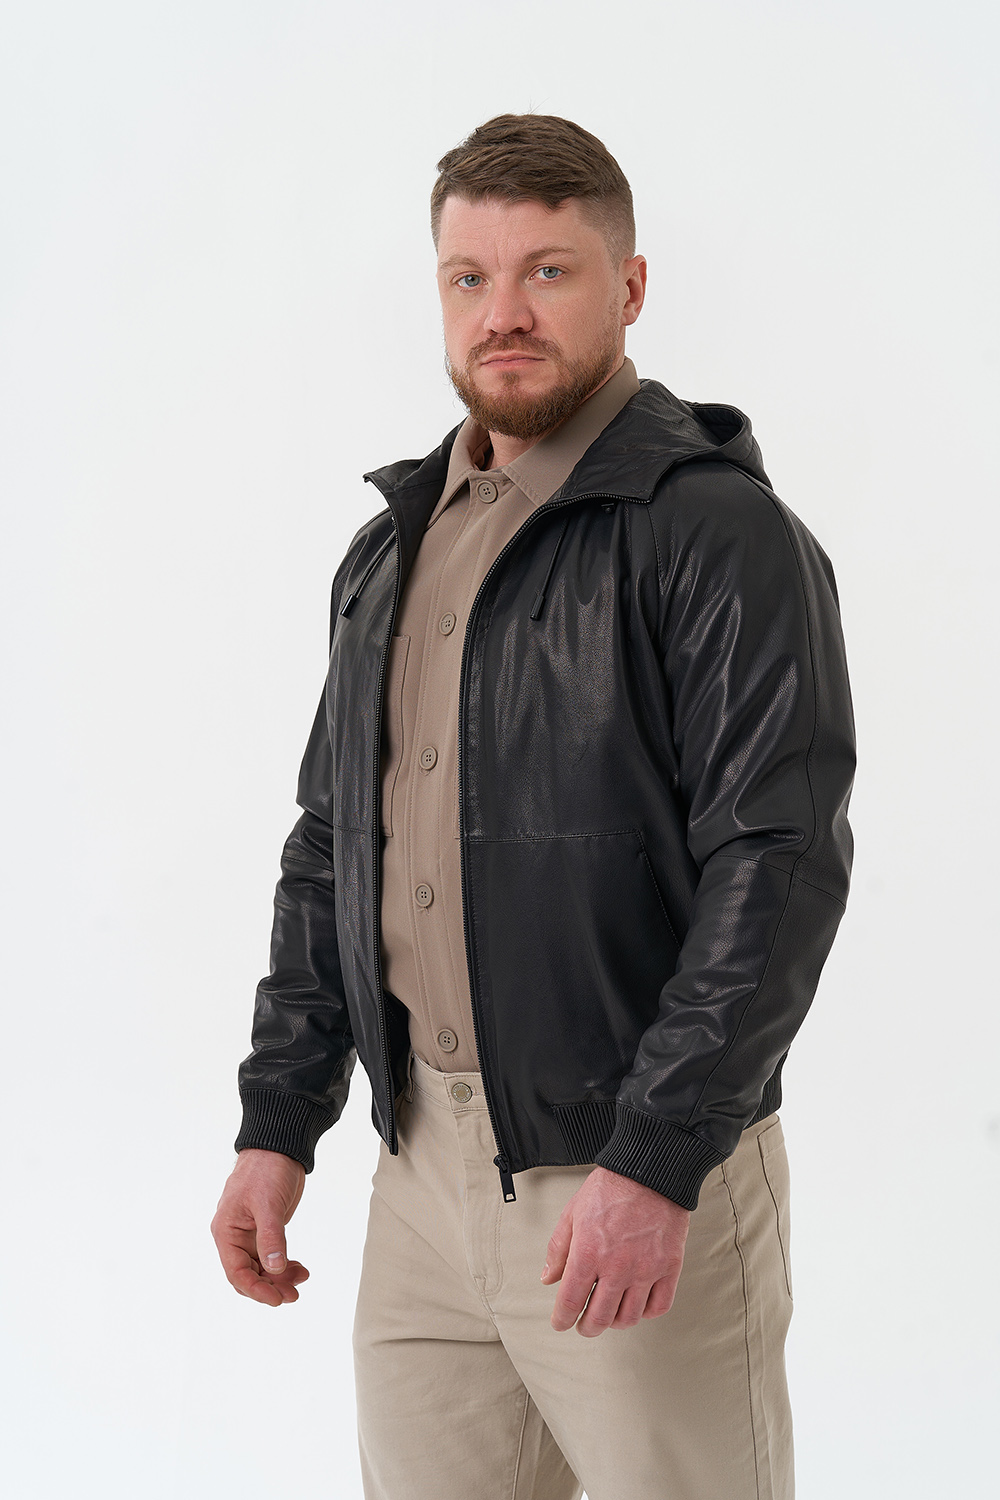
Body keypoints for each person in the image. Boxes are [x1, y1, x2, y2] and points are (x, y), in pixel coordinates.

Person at [211, 113, 856, 1500]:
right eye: (469, 276)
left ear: (631, 287)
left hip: (629, 1165)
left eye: (548, 271)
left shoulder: (714, 531)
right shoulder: (391, 550)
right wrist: (278, 1123)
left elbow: (779, 860)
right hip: (418, 1178)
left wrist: (659, 1157)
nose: (502, 312)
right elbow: (331, 849)